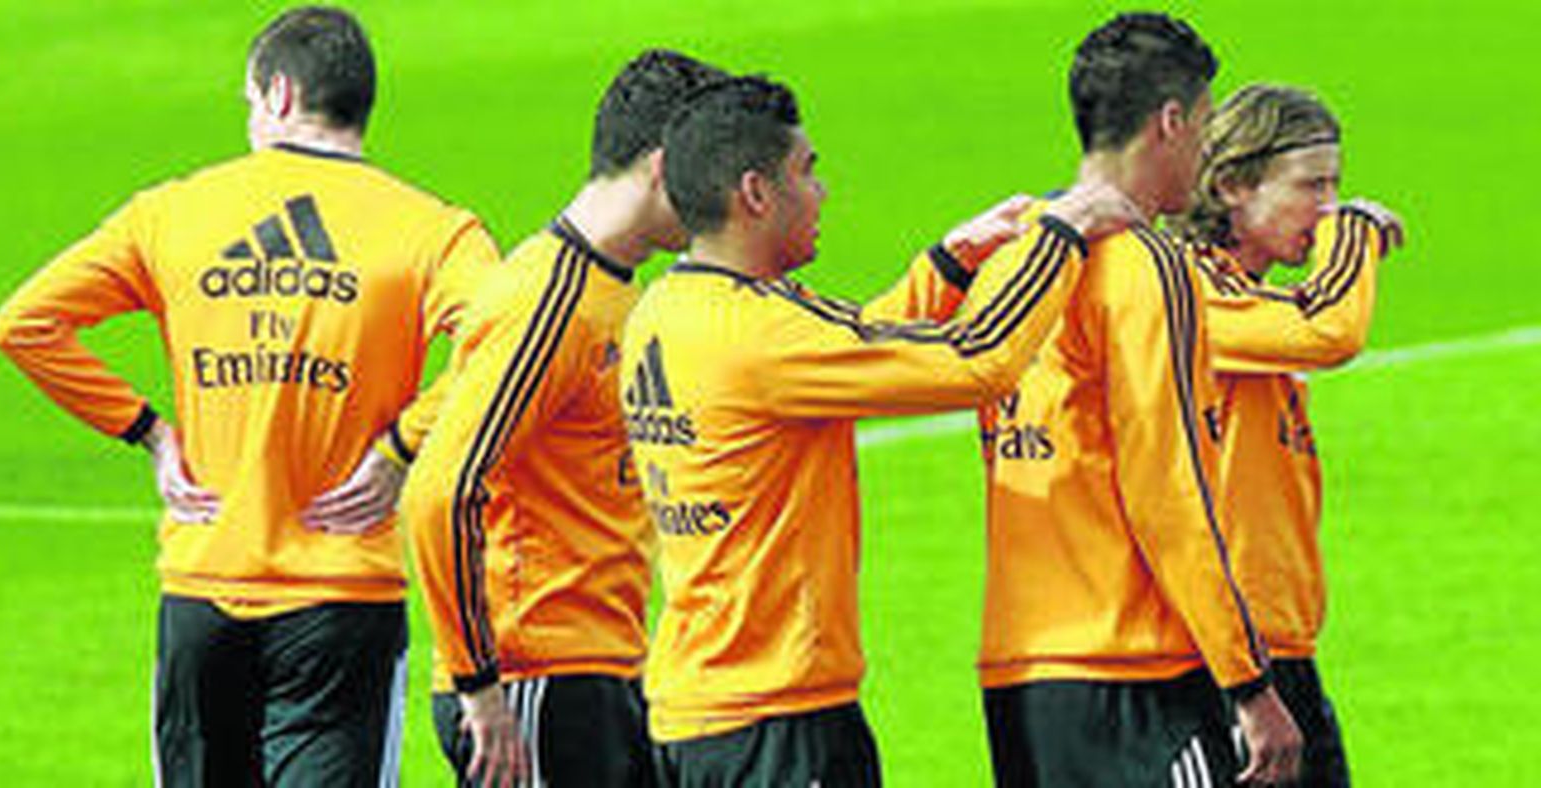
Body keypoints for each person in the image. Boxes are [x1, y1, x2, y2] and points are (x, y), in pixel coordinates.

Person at [0, 7, 501, 785]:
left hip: (203, 586)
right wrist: (403, 444)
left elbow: (23, 323)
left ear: (282, 95)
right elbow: (508, 343)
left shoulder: (171, 212)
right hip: (342, 596)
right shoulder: (434, 231)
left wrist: (149, 432)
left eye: (249, 101)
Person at [623, 74, 1138, 786]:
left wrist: (950, 263)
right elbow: (978, 363)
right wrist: (1061, 235)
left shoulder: (671, 308)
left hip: (701, 709)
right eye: (807, 170)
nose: (824, 190)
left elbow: (853, 344)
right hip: (776, 719)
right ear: (755, 194)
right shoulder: (760, 335)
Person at [973, 13, 1305, 787]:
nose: (1206, 148)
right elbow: (1169, 484)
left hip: (1019, 674)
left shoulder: (1010, 251)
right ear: (1171, 121)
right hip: (1133, 675)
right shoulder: (1150, 267)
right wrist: (1249, 683)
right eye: (1206, 123)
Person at [398, 49, 728, 788]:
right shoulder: (546, 300)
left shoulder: (609, 292)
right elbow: (439, 493)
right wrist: (478, 684)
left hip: (596, 671)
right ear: (661, 164)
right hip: (534, 679)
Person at [1170, 83, 1405, 787]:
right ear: (1232, 186)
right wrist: (1353, 236)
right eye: (1312, 186)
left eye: (1337, 186)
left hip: (1284, 654)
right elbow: (1330, 330)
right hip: (1222, 666)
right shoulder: (1188, 291)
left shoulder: (1255, 311)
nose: (1329, 207)